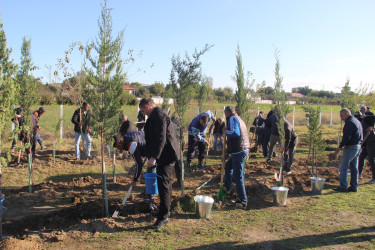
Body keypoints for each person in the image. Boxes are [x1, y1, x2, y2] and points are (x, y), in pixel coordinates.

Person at [139, 98, 180, 229]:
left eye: (143, 110)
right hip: (163, 155)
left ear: (147, 106)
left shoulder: (159, 115)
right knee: (164, 185)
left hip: (166, 156)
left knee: (164, 185)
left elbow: (161, 138)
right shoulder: (155, 115)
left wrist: (154, 157)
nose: (143, 113)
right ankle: (164, 210)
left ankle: (164, 217)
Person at [113, 132, 157, 212]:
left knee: (151, 174)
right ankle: (149, 196)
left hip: (155, 148)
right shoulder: (127, 136)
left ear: (121, 141)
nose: (120, 149)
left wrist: (135, 180)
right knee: (150, 171)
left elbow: (139, 164)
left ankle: (151, 202)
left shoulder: (131, 145)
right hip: (150, 146)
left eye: (119, 147)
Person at [222, 106, 250, 209]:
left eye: (225, 114)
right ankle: (228, 187)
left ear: (227, 113)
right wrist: (227, 153)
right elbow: (235, 140)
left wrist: (225, 131)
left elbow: (235, 133)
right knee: (228, 166)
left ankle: (243, 201)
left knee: (238, 177)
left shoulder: (232, 119)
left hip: (239, 151)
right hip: (240, 149)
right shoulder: (239, 118)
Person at [334, 108, 363, 192]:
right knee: (354, 168)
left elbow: (347, 137)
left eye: (342, 116)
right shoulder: (356, 121)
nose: (341, 118)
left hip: (351, 147)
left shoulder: (349, 123)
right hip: (357, 146)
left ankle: (343, 187)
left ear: (346, 114)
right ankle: (354, 186)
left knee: (343, 167)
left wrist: (340, 147)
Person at [358, 112, 375, 181]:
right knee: (361, 157)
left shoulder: (367, 121)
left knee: (372, 160)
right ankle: (359, 174)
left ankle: (374, 178)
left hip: (372, 143)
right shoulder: (362, 123)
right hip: (367, 143)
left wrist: (372, 127)